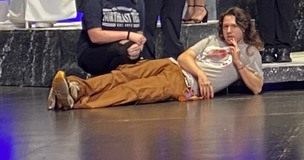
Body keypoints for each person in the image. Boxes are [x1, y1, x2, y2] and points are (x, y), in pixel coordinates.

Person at [48, 7, 263, 110]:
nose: (228, 31)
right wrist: (201, 75)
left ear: (244, 27)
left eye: (233, 26)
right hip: (172, 65)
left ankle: (78, 103)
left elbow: (257, 87)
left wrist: (238, 63)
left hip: (183, 85)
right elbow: (185, 56)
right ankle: (76, 87)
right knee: (124, 74)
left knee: (136, 90)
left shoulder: (250, 52)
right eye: (225, 26)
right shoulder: (213, 40)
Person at [76, 0, 147, 75]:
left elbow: (140, 33)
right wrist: (128, 36)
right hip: (94, 53)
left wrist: (138, 46)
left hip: (127, 52)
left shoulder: (138, 0)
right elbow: (95, 36)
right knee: (123, 51)